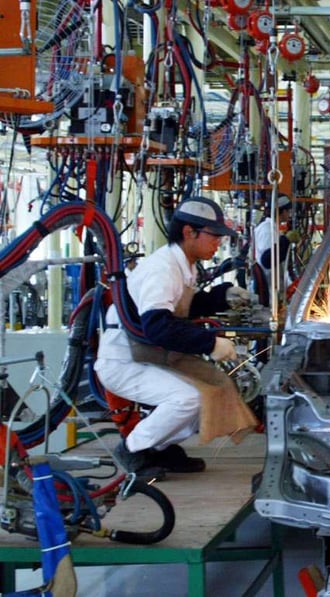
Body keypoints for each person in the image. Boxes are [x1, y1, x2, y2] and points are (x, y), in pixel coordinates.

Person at [95, 196, 259, 479]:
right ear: (188, 232)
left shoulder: (184, 265)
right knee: (187, 398)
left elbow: (184, 306)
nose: (218, 242)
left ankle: (159, 447)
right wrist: (210, 344)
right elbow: (157, 326)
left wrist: (222, 297)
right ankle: (133, 449)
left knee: (213, 389)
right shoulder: (162, 269)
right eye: (213, 235)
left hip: (148, 356)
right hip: (124, 362)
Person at [253, 195, 301, 287]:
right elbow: (267, 260)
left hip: (276, 285)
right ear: (282, 211)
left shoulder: (273, 229)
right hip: (270, 289)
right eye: (288, 211)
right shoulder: (267, 229)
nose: (289, 215)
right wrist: (286, 240)